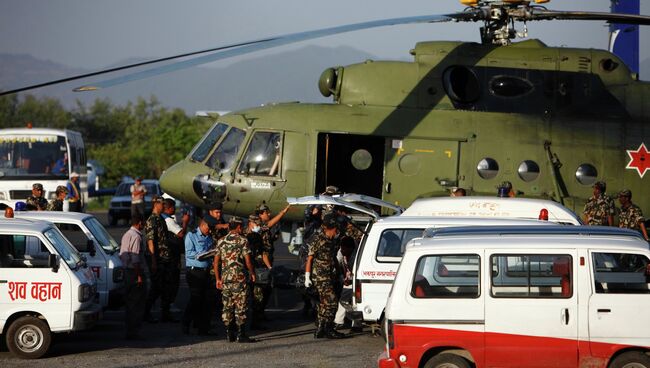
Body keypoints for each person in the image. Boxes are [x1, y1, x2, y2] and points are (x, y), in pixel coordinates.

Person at [214, 217, 256, 343]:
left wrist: (217, 278)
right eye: (241, 226)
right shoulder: (243, 240)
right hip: (239, 279)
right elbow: (247, 260)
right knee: (241, 306)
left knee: (227, 306)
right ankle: (241, 334)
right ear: (238, 227)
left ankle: (229, 333)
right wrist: (252, 273)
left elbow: (216, 262)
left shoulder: (221, 241)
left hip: (225, 279)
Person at [304, 213, 345, 339]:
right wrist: (307, 277)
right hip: (320, 277)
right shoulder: (318, 239)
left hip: (329, 276)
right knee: (332, 302)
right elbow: (309, 259)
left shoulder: (331, 240)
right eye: (335, 229)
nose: (337, 232)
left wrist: (339, 273)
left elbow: (332, 258)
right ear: (331, 228)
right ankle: (329, 328)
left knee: (324, 303)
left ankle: (321, 329)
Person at [143, 196, 176, 323]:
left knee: (167, 286)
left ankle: (165, 314)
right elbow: (150, 241)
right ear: (156, 204)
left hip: (165, 258)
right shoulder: (152, 220)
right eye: (162, 204)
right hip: (158, 259)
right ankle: (146, 313)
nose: (164, 206)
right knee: (156, 287)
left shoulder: (160, 218)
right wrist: (154, 261)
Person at [182, 219, 213, 335]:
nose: (209, 230)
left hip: (206, 271)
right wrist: (200, 255)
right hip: (195, 272)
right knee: (195, 299)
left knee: (206, 300)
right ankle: (185, 323)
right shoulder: (191, 235)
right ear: (202, 225)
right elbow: (188, 252)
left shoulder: (209, 237)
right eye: (208, 228)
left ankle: (202, 327)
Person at [119, 214, 147, 340]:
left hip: (127, 271)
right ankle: (134, 331)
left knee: (130, 303)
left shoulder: (127, 234)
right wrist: (139, 276)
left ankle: (129, 330)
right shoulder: (136, 237)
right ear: (140, 223)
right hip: (134, 272)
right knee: (137, 303)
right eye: (143, 223)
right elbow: (135, 259)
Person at [245, 214, 272, 330]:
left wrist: (269, 267)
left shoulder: (257, 236)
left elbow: (263, 253)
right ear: (250, 224)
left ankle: (255, 322)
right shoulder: (245, 237)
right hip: (249, 269)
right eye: (256, 224)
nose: (258, 226)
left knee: (258, 296)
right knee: (250, 297)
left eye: (259, 224)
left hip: (256, 269)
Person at [162, 198, 184, 313]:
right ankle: (167, 308)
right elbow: (181, 233)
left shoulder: (163, 218)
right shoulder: (169, 221)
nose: (175, 209)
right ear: (168, 208)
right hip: (172, 257)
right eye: (173, 207)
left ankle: (166, 308)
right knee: (172, 283)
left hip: (168, 256)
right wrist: (185, 222)